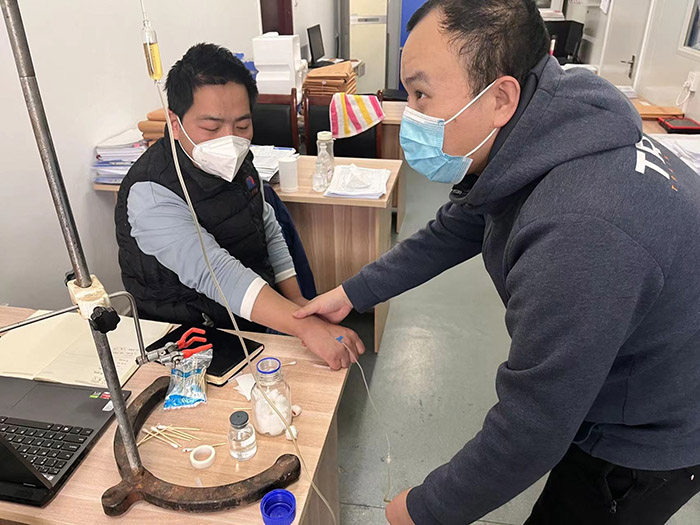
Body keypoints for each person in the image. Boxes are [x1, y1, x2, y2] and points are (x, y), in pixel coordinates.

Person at [294, 0, 700, 523]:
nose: (410, 113)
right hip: (620, 364)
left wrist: (424, 511)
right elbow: (459, 225)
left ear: (501, 97)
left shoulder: (580, 231)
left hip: (656, 424)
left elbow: (533, 426)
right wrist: (352, 292)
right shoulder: (549, 123)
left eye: (421, 94)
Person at [115, 43, 363, 369]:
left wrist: (296, 301)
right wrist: (304, 326)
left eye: (242, 126)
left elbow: (267, 224)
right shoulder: (151, 191)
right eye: (211, 128)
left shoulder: (239, 159)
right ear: (175, 123)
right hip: (189, 337)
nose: (229, 140)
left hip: (249, 316)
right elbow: (215, 273)